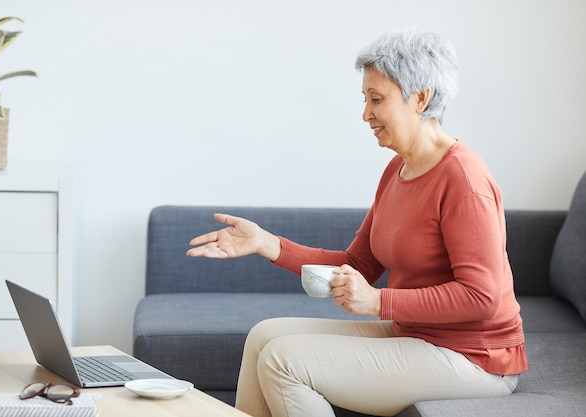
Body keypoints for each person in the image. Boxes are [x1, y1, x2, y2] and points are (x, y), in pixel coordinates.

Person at [187, 27, 527, 417]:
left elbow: (481, 298)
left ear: (420, 98)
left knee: (283, 359)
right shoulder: (397, 170)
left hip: (474, 357)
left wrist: (379, 301)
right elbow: (359, 264)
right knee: (264, 336)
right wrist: (266, 243)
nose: (366, 114)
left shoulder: (464, 180)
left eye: (377, 99)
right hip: (415, 334)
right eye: (365, 99)